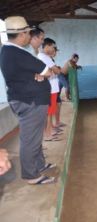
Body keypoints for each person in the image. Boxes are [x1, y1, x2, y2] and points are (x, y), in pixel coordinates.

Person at [0, 16, 56, 185]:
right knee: (30, 139)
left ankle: (39, 164)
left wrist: (36, 76)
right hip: (30, 101)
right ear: (22, 34)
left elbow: (27, 74)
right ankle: (31, 175)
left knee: (34, 136)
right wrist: (39, 75)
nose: (29, 35)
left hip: (27, 99)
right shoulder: (16, 52)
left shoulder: (8, 52)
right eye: (28, 33)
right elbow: (47, 71)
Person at [38, 38, 62, 141]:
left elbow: (54, 71)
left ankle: (50, 129)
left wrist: (54, 70)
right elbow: (57, 71)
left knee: (50, 111)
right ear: (47, 46)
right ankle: (48, 134)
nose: (53, 49)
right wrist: (55, 70)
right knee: (49, 112)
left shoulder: (43, 56)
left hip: (50, 87)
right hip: (50, 88)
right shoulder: (45, 57)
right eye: (52, 46)